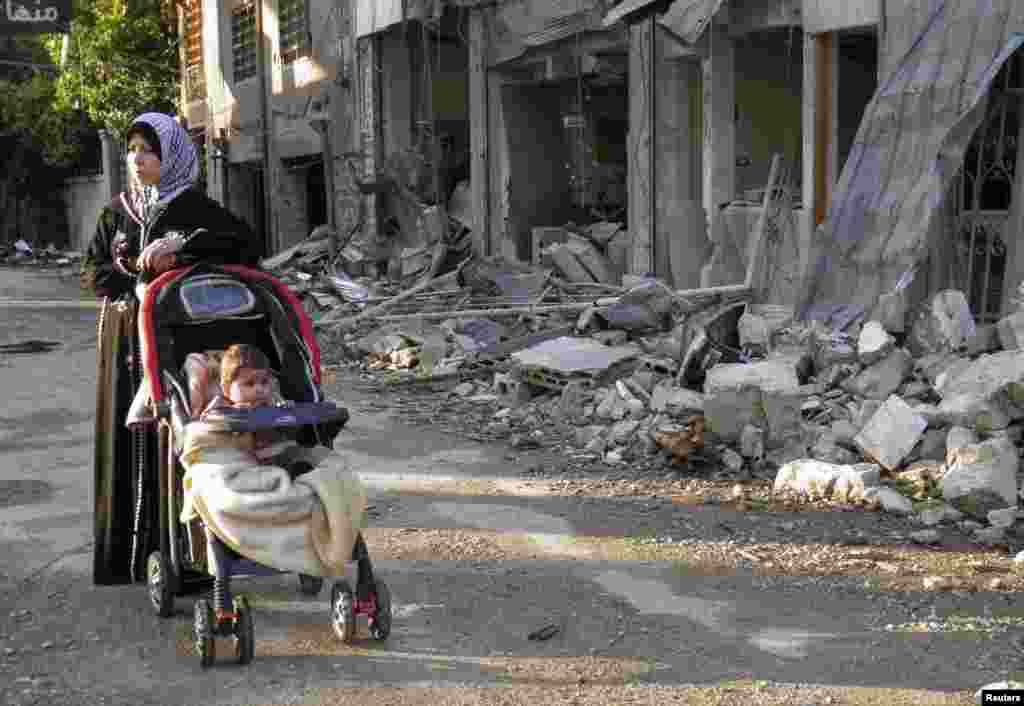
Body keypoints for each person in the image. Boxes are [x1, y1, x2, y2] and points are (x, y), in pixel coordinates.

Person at [84, 112, 262, 586]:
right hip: (124, 337)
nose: (136, 159)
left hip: (179, 337)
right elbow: (93, 273)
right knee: (132, 435)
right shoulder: (116, 212)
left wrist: (181, 250)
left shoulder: (196, 209)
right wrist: (133, 274)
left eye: (148, 150)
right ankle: (130, 558)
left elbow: (245, 245)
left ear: (171, 157)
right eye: (132, 150)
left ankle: (192, 555)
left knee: (181, 433)